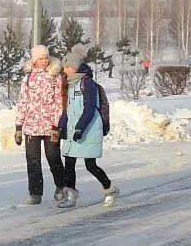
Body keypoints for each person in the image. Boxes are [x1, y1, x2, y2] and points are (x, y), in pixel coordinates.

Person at [58, 46, 116, 205]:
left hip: (88, 129)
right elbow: (66, 109)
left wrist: (80, 128)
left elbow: (89, 109)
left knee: (90, 165)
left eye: (68, 66)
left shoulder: (87, 83)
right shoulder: (68, 84)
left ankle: (109, 189)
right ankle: (71, 196)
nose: (65, 70)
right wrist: (61, 127)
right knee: (69, 163)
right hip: (73, 129)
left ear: (76, 67)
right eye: (64, 67)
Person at [14, 45, 67, 205]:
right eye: (41, 58)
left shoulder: (55, 76)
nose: (44, 61)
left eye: (46, 58)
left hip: (50, 125)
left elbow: (59, 102)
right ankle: (35, 193)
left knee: (53, 157)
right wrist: (18, 126)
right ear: (34, 60)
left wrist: (56, 125)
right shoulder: (28, 77)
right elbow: (22, 102)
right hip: (31, 126)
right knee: (33, 160)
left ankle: (61, 186)